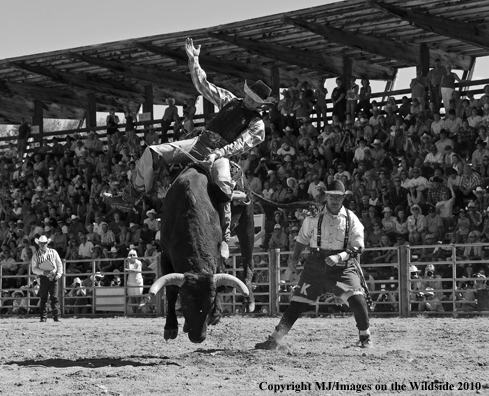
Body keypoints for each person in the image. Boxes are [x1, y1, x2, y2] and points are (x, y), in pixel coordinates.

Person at [103, 38, 271, 260]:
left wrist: (218, 153)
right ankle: (131, 195)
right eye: (250, 96)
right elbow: (204, 86)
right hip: (199, 142)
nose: (249, 101)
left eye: (254, 100)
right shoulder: (231, 100)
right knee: (152, 151)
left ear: (260, 104)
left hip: (220, 154)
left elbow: (241, 144)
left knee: (223, 184)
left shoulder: (257, 124)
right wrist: (194, 61)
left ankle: (224, 237)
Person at [255, 180, 372, 350]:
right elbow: (302, 239)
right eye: (332, 196)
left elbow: (358, 246)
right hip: (315, 265)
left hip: (342, 267)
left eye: (338, 197)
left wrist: (340, 256)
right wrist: (294, 260)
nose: (335, 200)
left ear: (343, 198)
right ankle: (275, 339)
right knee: (297, 303)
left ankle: (365, 337)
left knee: (358, 301)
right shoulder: (313, 217)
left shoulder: (351, 218)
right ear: (327, 196)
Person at [30, 235, 63, 322]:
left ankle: (56, 316)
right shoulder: (36, 255)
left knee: (54, 297)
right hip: (43, 277)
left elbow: (59, 264)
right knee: (43, 297)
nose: (42, 244)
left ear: (46, 243)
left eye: (44, 243)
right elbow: (34, 269)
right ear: (39, 244)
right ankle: (43, 317)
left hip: (53, 276)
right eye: (41, 243)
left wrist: (58, 274)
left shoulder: (53, 252)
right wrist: (43, 272)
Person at [125, 249, 144, 314]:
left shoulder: (138, 262)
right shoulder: (128, 262)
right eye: (130, 255)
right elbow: (126, 270)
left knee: (138, 298)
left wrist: (129, 270)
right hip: (130, 282)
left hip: (138, 282)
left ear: (136, 256)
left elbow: (138, 270)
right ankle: (134, 313)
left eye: (134, 255)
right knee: (132, 298)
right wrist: (128, 262)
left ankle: (138, 313)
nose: (132, 256)